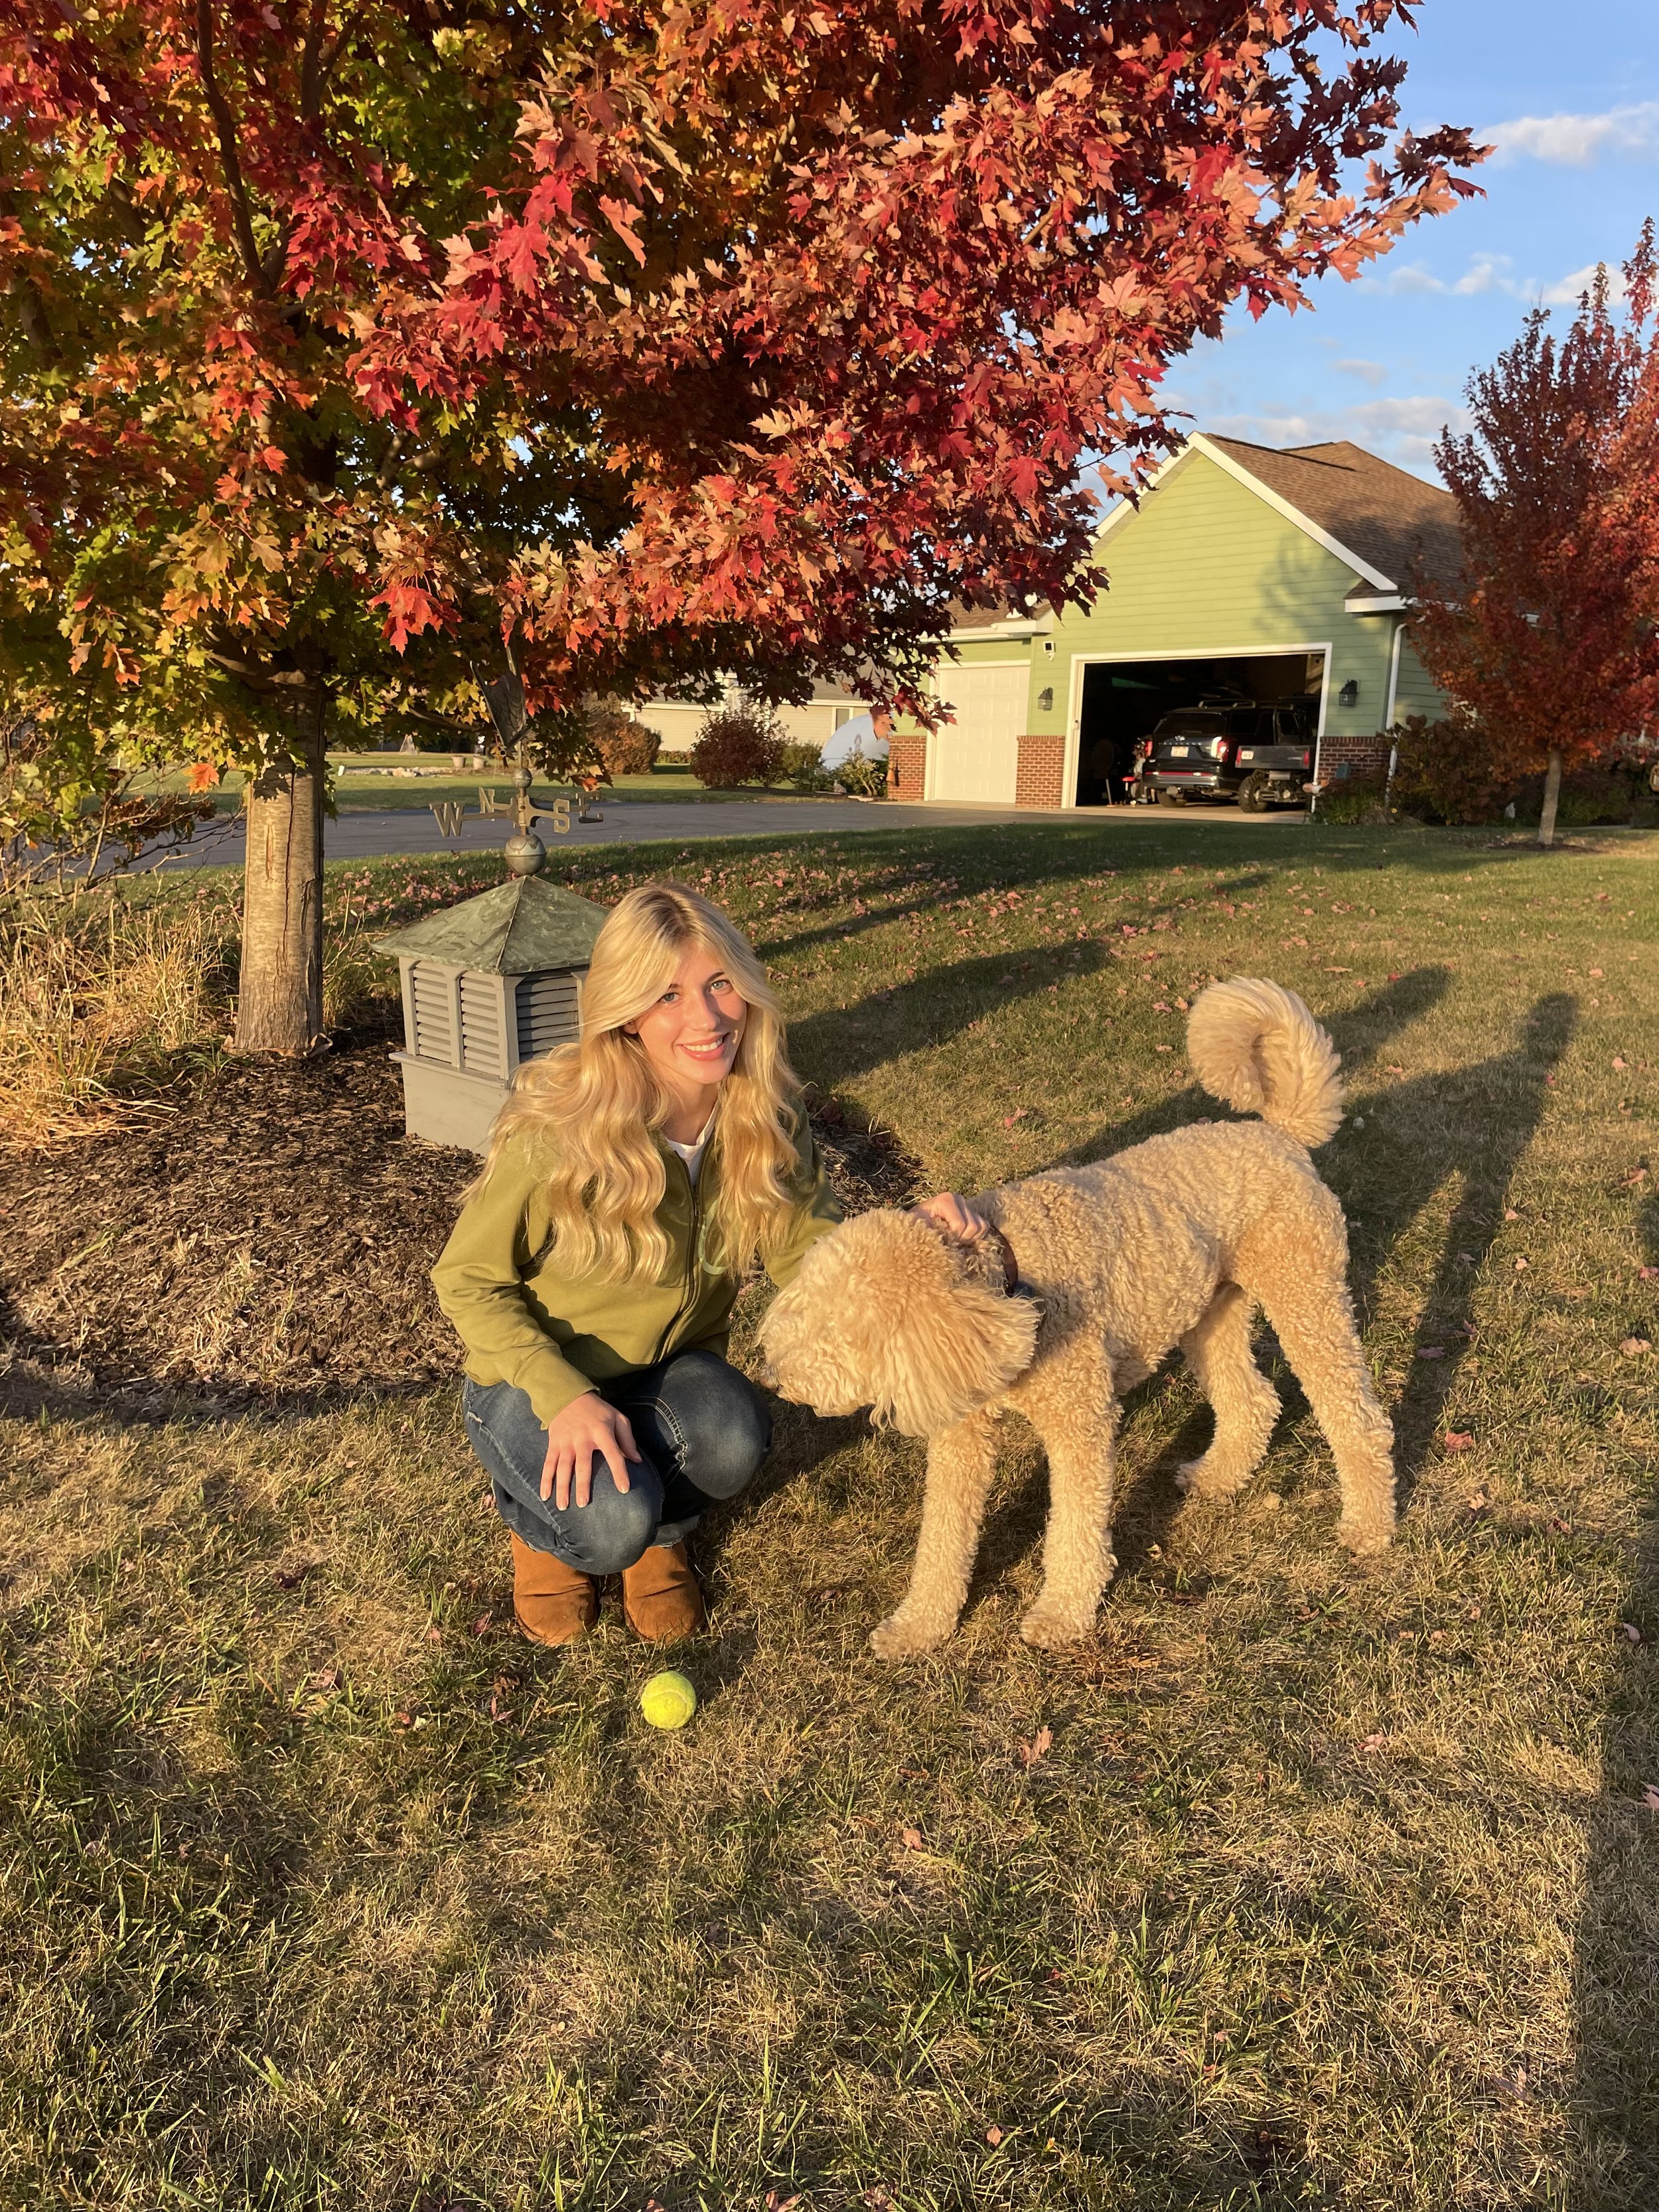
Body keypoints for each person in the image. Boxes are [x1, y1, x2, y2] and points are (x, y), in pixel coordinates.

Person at [433, 881, 985, 1648]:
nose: (708, 1017)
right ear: (624, 1012)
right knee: (605, 1524)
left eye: (719, 983)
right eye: (668, 996)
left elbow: (817, 1253)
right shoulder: (558, 1129)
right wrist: (562, 1396)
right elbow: (466, 1279)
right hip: (533, 1383)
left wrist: (912, 1237)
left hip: (671, 1373)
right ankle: (539, 1531)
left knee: (734, 1434)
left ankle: (664, 1535)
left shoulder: (765, 1116)